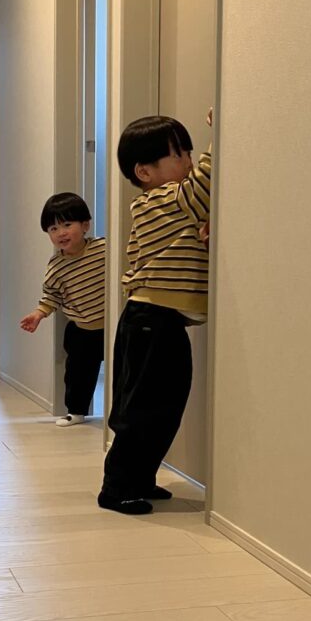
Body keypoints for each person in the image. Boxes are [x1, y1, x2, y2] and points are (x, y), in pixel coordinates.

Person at [98, 115, 212, 514]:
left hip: (161, 322)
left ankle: (141, 478)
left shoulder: (174, 208)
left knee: (164, 408)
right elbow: (204, 187)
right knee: (143, 410)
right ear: (144, 172)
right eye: (179, 154)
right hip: (149, 320)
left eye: (191, 152)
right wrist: (222, 129)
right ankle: (116, 488)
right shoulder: (158, 200)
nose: (190, 161)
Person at [20, 193, 106, 426]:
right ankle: (76, 411)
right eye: (53, 229)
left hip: (113, 327)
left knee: (123, 369)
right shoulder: (56, 265)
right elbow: (52, 295)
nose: (61, 233)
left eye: (67, 225)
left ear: (85, 225)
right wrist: (39, 314)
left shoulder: (104, 249)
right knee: (78, 373)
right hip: (81, 329)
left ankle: (118, 412)